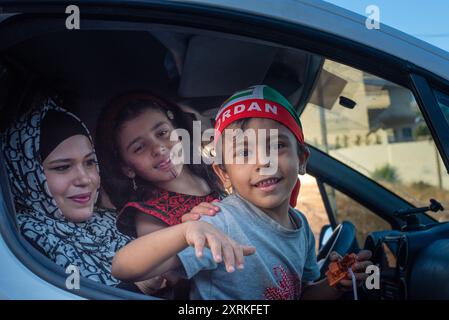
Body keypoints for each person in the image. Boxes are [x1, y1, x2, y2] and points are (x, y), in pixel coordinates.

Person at [111, 85, 373, 299]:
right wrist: (186, 231)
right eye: (244, 153)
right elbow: (122, 267)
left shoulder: (301, 225)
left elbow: (302, 293)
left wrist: (335, 282)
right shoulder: (220, 222)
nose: (263, 162)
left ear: (302, 159)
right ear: (224, 174)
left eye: (276, 146)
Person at [95, 93, 220, 295]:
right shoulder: (148, 214)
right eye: (139, 147)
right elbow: (172, 273)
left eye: (162, 133)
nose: (158, 148)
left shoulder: (216, 173)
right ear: (127, 168)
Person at [2, 98, 131, 286]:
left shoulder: (109, 219)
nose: (85, 179)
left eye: (89, 162)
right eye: (62, 167)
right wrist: (142, 284)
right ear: (27, 175)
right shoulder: (23, 244)